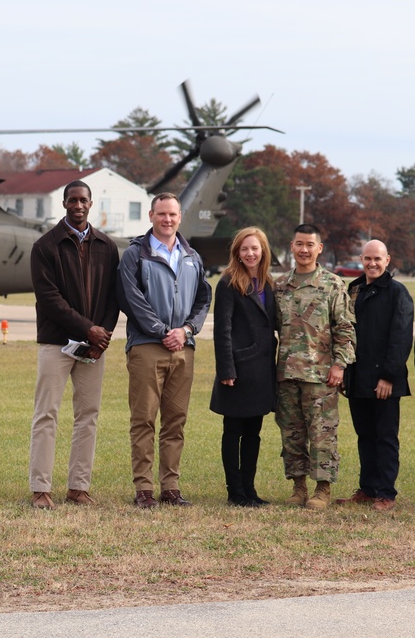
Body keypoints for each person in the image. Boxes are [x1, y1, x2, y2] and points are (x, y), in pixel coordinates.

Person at [28, 180, 121, 510]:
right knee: (46, 415)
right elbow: (49, 299)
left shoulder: (106, 246)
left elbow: (114, 296)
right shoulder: (46, 246)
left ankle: (78, 488)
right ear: (64, 203)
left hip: (94, 348)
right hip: (56, 344)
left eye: (83, 200)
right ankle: (41, 489)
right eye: (72, 200)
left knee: (88, 416)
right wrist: (88, 328)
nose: (78, 205)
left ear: (91, 203)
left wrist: (103, 336)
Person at [117, 192, 211, 508]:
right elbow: (131, 298)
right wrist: (161, 332)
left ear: (179, 217)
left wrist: (185, 330)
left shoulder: (192, 257)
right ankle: (144, 489)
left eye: (172, 214)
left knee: (175, 420)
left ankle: (170, 487)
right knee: (144, 419)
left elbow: (203, 300)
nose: (167, 220)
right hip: (146, 347)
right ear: (151, 215)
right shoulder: (135, 255)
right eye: (161, 214)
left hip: (184, 349)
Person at [273, 224, 356, 510]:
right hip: (287, 374)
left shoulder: (332, 284)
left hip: (321, 376)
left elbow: (345, 329)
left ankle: (322, 489)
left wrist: (339, 366)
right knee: (292, 434)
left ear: (319, 248)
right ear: (292, 246)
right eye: (299, 244)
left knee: (322, 434)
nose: (304, 249)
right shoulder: (280, 285)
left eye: (310, 244)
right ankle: (298, 487)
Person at [336, 240, 413, 512]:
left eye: (377, 259)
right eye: (367, 258)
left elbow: (401, 338)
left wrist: (388, 377)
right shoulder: (354, 289)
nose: (372, 263)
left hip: (384, 382)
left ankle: (386, 493)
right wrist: (344, 371)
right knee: (364, 435)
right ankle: (368, 488)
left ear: (387, 260)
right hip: (358, 377)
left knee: (385, 437)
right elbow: (345, 333)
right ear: (361, 259)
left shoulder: (397, 293)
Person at [209, 227, 277, 507]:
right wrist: (226, 370)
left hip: (262, 372)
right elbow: (222, 330)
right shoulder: (228, 282)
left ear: (263, 251)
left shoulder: (269, 283)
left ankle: (250, 489)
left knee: (254, 433)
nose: (250, 253)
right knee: (233, 431)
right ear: (237, 252)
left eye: (255, 248)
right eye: (244, 249)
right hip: (238, 370)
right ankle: (235, 491)